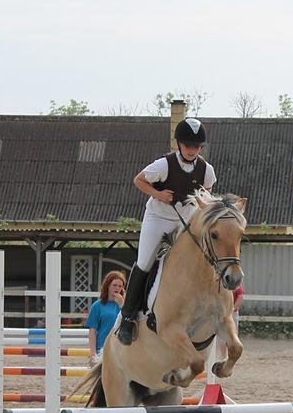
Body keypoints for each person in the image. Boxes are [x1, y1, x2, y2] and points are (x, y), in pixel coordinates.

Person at [116, 117, 217, 345]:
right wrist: (159, 194)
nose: (192, 150)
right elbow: (139, 180)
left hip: (185, 220)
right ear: (179, 144)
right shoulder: (163, 165)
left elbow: (207, 193)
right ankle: (128, 318)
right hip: (158, 218)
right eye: (188, 145)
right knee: (144, 261)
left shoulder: (206, 170)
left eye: (196, 147)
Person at [84, 270, 125, 365]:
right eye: (114, 285)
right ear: (107, 285)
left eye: (120, 286)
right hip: (102, 349)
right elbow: (92, 331)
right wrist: (93, 354)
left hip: (121, 350)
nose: (117, 288)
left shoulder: (125, 306)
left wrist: (122, 306)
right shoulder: (97, 306)